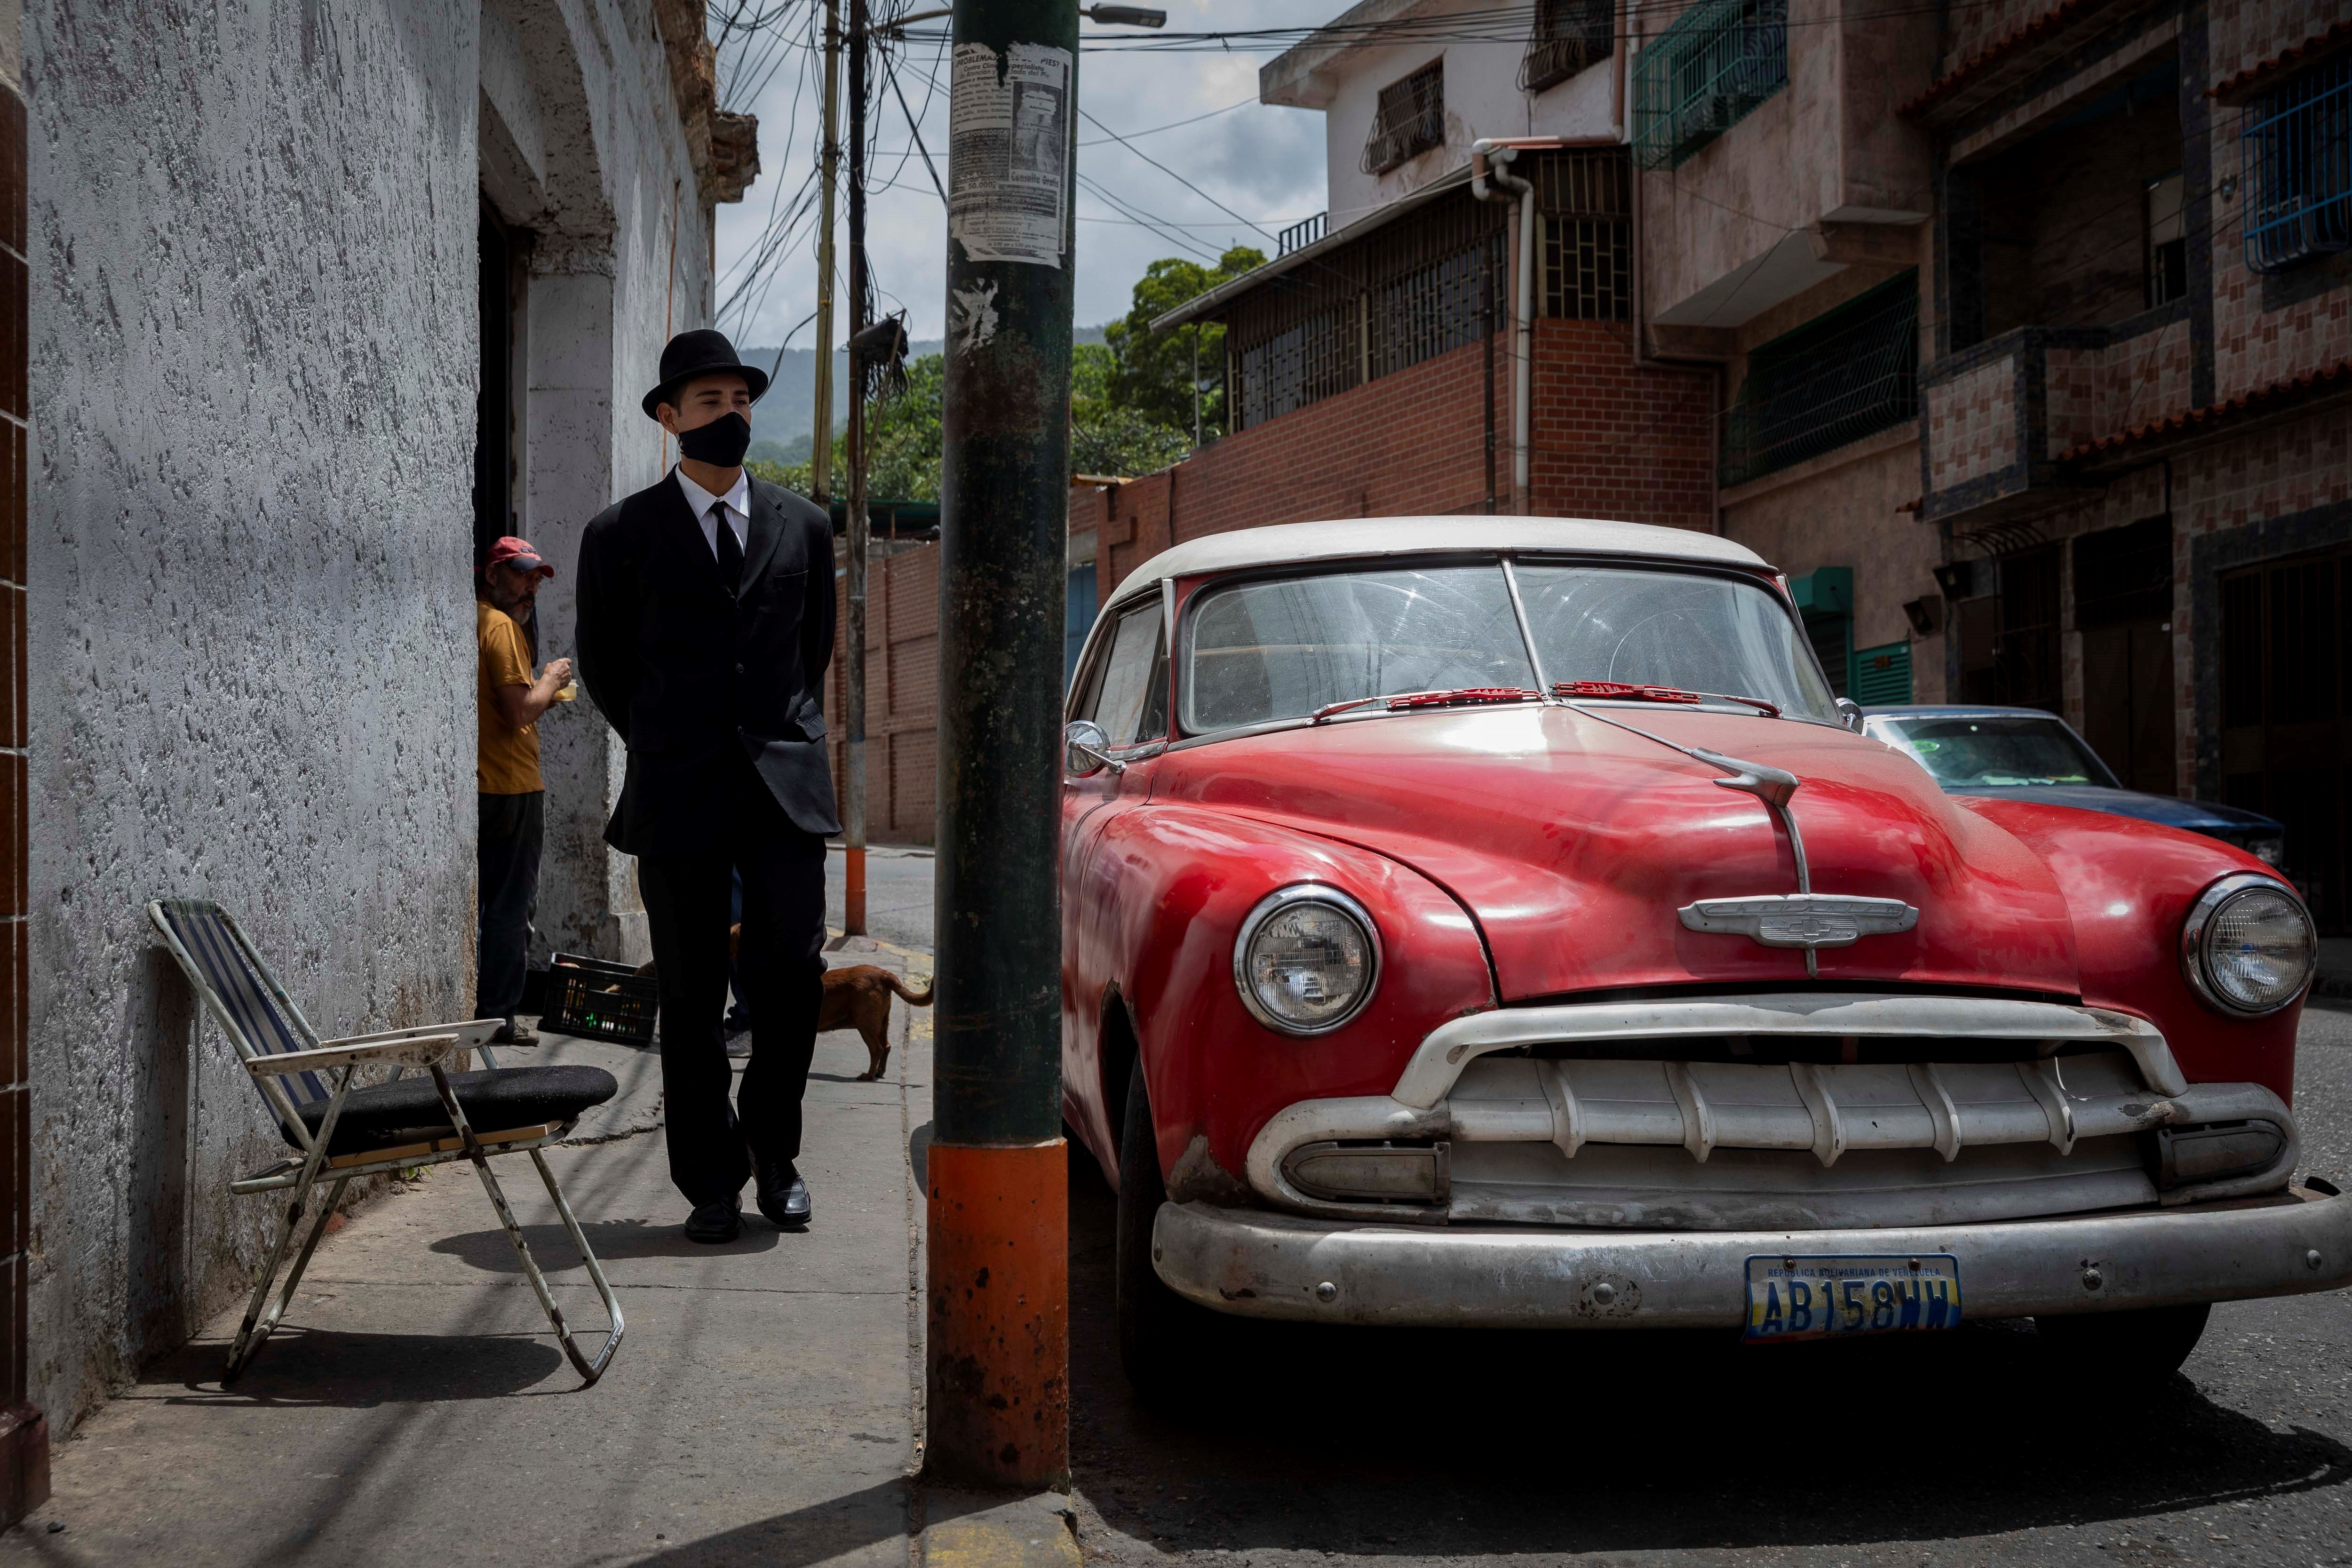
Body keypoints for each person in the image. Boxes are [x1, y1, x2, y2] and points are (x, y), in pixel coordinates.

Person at [574, 329, 839, 1244]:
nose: (731, 417)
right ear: (669, 417)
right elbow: (608, 666)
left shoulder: (805, 526)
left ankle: (778, 1156)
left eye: (740, 402)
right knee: (689, 998)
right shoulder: (618, 536)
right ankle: (711, 1182)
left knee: (791, 982)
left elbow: (814, 652)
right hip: (678, 794)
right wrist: (670, 741)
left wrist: (775, 737)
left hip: (783, 790)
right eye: (710, 404)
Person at [476, 536, 573, 1046]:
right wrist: (553, 679)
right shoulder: (500, 628)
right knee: (511, 908)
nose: (531, 584)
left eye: (536, 576)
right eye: (520, 573)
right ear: (491, 575)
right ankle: (498, 1018)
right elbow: (520, 710)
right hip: (511, 786)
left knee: (490, 906)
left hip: (484, 784)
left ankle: (485, 1011)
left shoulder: (474, 621)